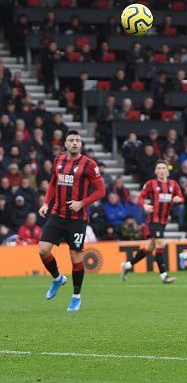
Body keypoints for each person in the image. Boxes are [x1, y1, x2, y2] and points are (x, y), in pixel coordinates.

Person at [37, 130, 106, 311]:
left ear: (81, 144)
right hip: (57, 214)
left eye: (77, 140)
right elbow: (53, 182)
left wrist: (81, 203)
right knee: (43, 250)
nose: (75, 143)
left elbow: (101, 191)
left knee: (75, 258)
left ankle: (76, 296)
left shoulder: (89, 165)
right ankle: (58, 278)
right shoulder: (58, 160)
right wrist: (46, 203)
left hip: (77, 219)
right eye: (71, 140)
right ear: (65, 144)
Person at [121, 161, 183, 284]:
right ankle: (164, 276)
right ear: (155, 171)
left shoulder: (173, 184)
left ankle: (128, 265)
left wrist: (178, 199)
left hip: (164, 221)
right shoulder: (151, 184)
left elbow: (181, 197)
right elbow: (140, 198)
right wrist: (144, 205)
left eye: (163, 168)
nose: (161, 170)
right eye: (159, 168)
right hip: (153, 220)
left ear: (167, 171)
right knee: (161, 244)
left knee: (150, 247)